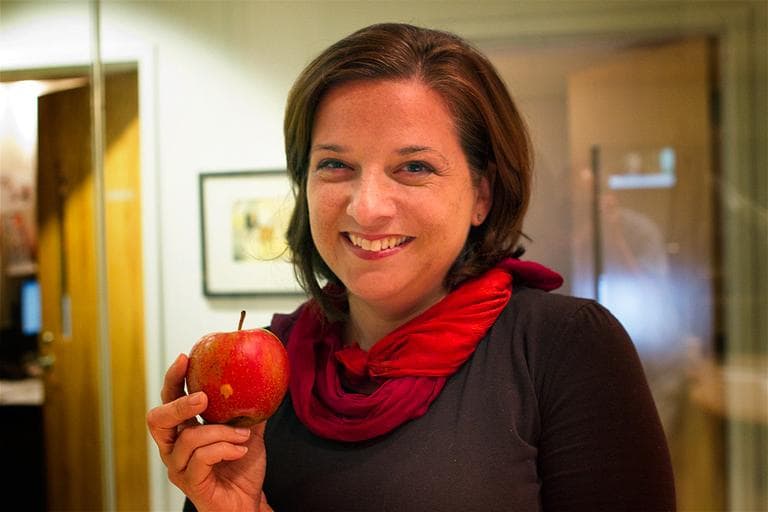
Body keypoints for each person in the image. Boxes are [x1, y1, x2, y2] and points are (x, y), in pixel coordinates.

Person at [147, 22, 676, 512]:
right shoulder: (267, 372)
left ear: (482, 195)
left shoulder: (565, 348)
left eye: (414, 167)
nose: (366, 207)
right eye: (335, 165)